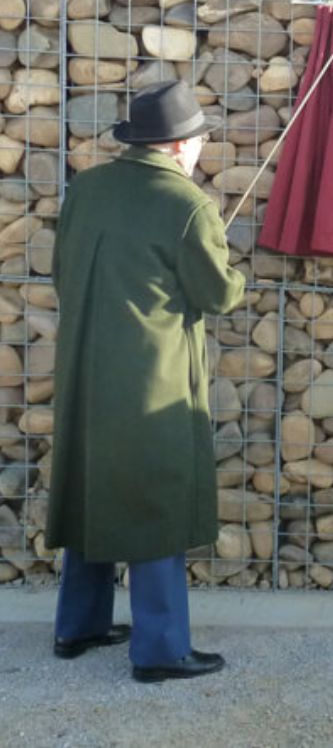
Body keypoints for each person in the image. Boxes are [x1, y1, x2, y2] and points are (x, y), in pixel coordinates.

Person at [46, 80, 246, 682]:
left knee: (90, 483)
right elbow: (218, 295)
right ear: (183, 145)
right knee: (155, 495)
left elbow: (62, 272)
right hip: (151, 380)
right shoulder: (187, 205)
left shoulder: (87, 189)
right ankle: (160, 651)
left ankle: (77, 628)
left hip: (83, 368)